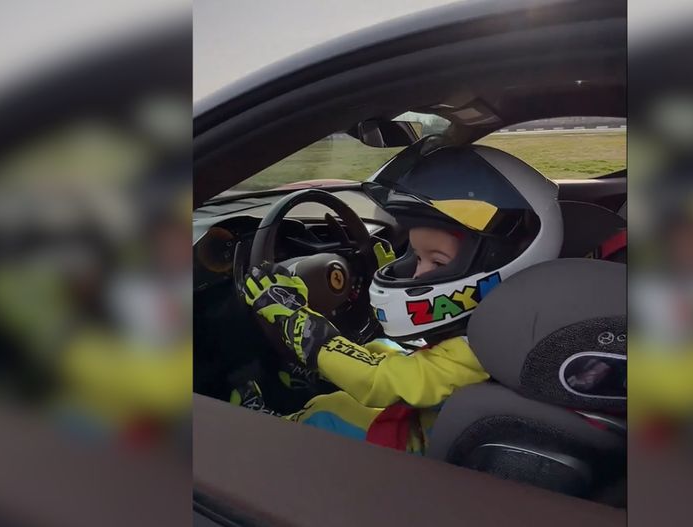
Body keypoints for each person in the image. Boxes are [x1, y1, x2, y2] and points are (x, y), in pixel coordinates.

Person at [237, 140, 563, 453]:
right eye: (415, 256)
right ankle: (323, 372)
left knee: (327, 409)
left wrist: (297, 321)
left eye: (436, 262)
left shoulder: (482, 348)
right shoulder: (512, 325)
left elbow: (380, 381)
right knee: (382, 347)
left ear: (498, 261)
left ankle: (270, 430)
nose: (417, 274)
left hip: (413, 446)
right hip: (440, 415)